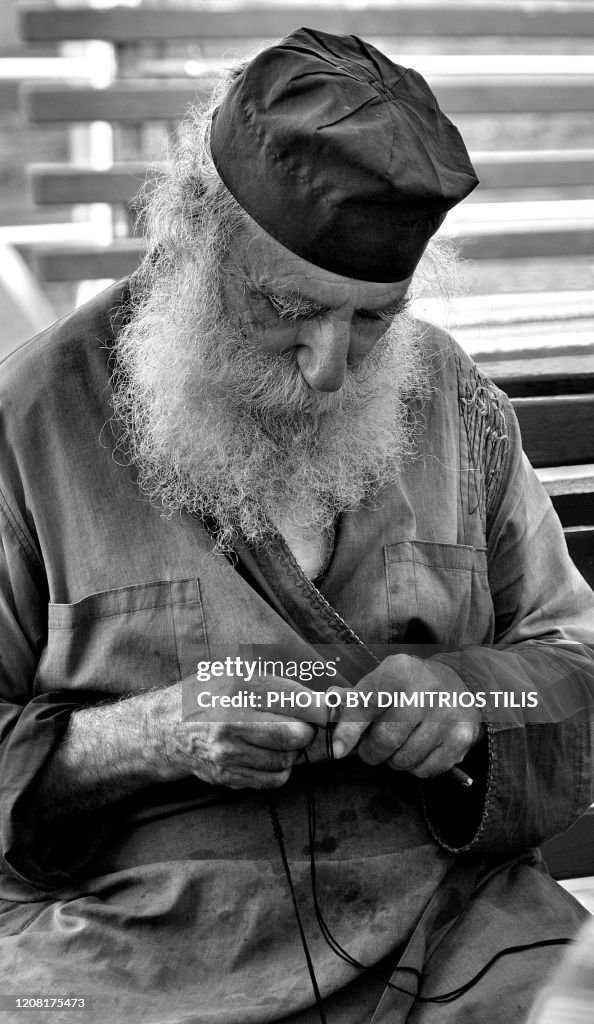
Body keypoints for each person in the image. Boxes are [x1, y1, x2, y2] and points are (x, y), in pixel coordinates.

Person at [0, 26, 592, 1024]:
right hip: (138, 956)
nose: (330, 368)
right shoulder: (31, 425)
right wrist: (143, 736)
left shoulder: (453, 403)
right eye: (285, 309)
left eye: (373, 320)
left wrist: (468, 704)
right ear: (194, 235)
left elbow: (576, 669)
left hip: (451, 936)